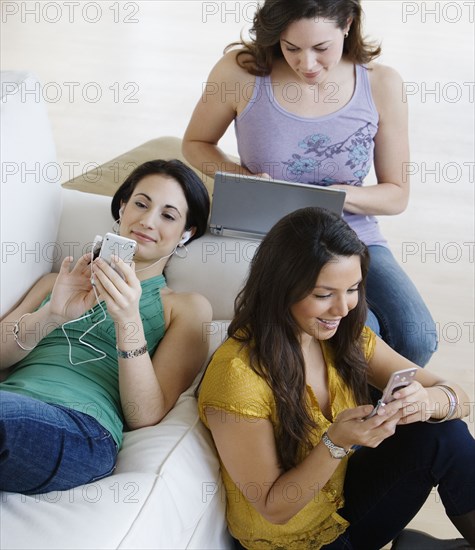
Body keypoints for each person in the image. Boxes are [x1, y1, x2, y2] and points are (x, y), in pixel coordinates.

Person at [197, 207, 475, 550]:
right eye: (324, 295)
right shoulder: (237, 378)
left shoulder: (344, 335)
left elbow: (459, 398)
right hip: (293, 542)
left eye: (353, 289)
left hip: (342, 506)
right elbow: (274, 508)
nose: (343, 309)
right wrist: (336, 443)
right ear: (280, 288)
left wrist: (427, 401)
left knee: (445, 434)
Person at [182, 0, 437, 367]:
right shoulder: (241, 73)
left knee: (417, 338)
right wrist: (246, 179)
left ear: (347, 24)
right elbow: (195, 143)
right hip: (271, 236)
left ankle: (384, 411)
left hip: (352, 235)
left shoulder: (381, 84)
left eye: (321, 49)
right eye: (291, 48)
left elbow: (396, 194)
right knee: (367, 333)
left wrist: (341, 196)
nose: (306, 64)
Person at [0, 159, 212, 495]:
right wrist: (52, 316)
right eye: (141, 204)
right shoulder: (57, 282)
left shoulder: (185, 308)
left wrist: (128, 320)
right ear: (122, 208)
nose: (147, 220)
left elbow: (144, 415)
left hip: (80, 430)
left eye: (168, 215)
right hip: (10, 403)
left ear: (187, 234)